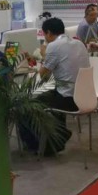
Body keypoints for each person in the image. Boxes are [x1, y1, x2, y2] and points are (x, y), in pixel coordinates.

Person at [21, 18, 90, 154]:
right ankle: (59, 137)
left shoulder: (53, 46)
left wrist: (43, 56)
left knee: (27, 106)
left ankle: (40, 144)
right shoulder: (79, 43)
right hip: (86, 96)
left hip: (68, 99)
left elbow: (43, 75)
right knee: (53, 94)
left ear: (48, 33)